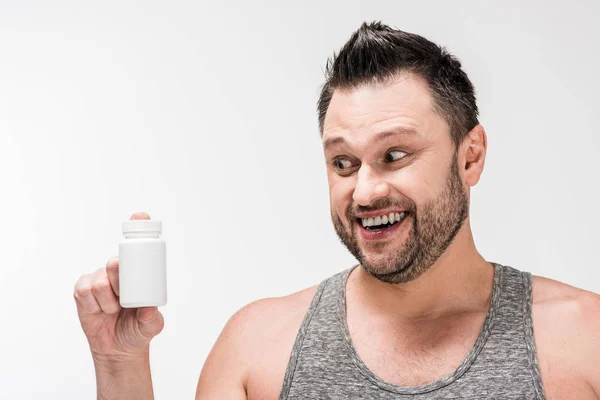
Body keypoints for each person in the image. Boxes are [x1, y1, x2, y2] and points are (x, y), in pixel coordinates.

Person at [73, 21, 600, 399]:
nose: (365, 193)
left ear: (471, 156)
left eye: (395, 155)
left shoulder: (582, 339)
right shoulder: (258, 349)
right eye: (343, 162)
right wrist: (119, 364)